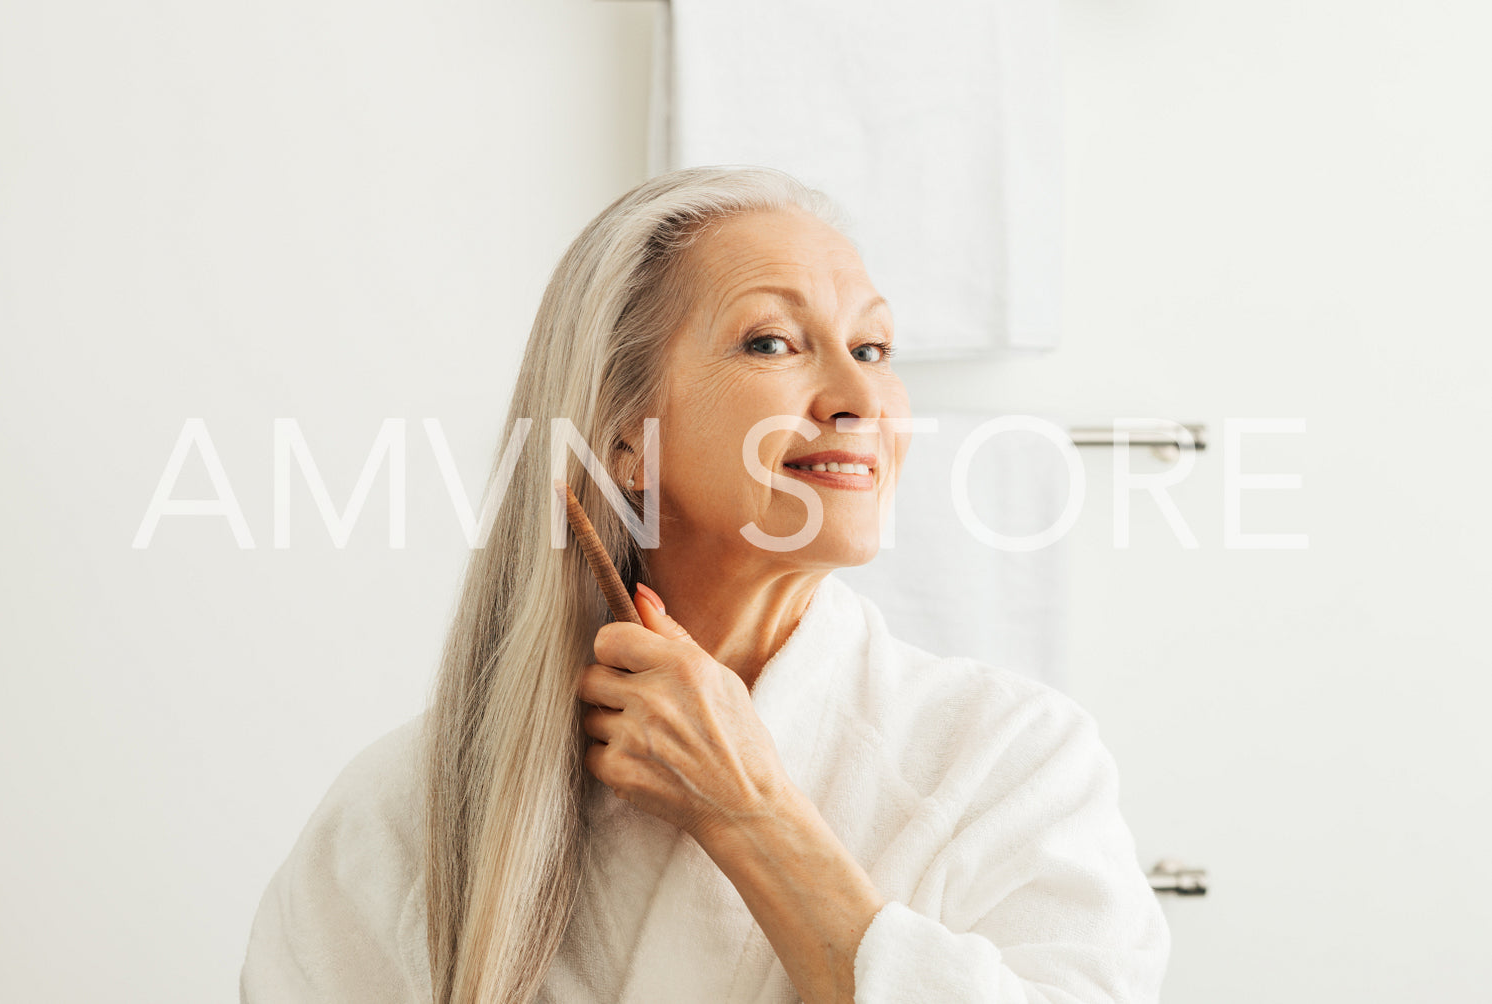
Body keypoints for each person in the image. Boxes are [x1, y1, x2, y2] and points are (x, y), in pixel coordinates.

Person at [239, 165, 1171, 1003]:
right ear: (623, 440)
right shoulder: (407, 812)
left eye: (875, 349)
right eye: (771, 343)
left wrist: (751, 815)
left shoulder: (1005, 761)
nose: (858, 397)